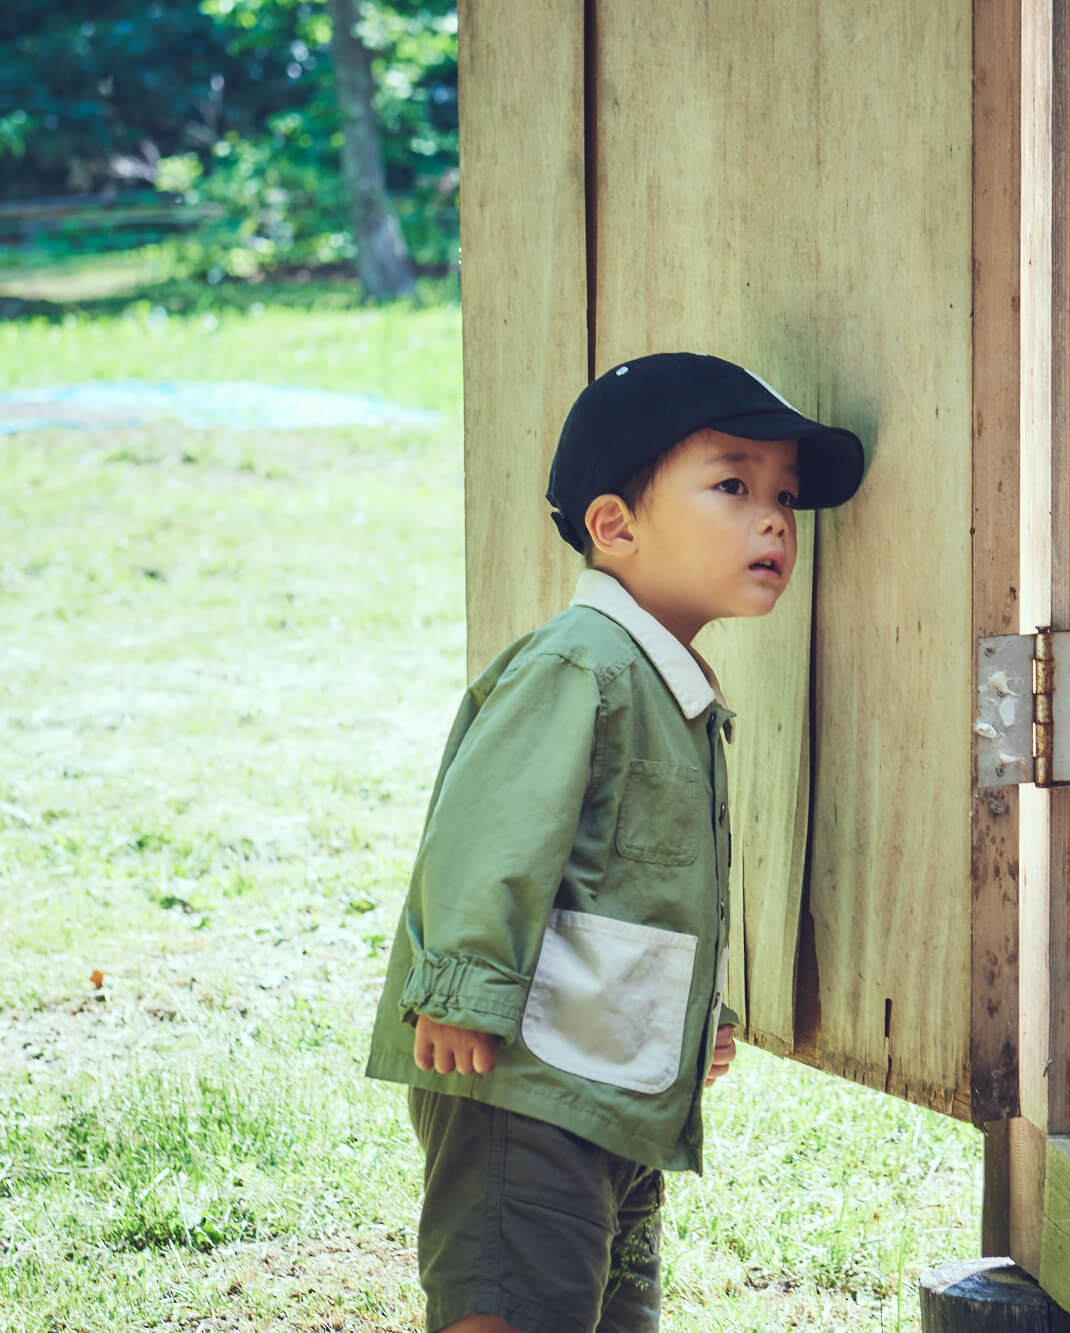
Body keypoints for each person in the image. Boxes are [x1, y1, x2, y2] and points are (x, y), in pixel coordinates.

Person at [363, 352, 868, 1333]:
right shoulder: (578, 666)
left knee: (606, 1305)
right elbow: (490, 833)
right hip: (520, 1080)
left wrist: (696, 1014)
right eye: (732, 485)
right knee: (512, 1299)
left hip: (610, 1080)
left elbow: (643, 884)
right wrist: (462, 990)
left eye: (785, 497)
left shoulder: (667, 680)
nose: (773, 519)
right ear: (615, 525)